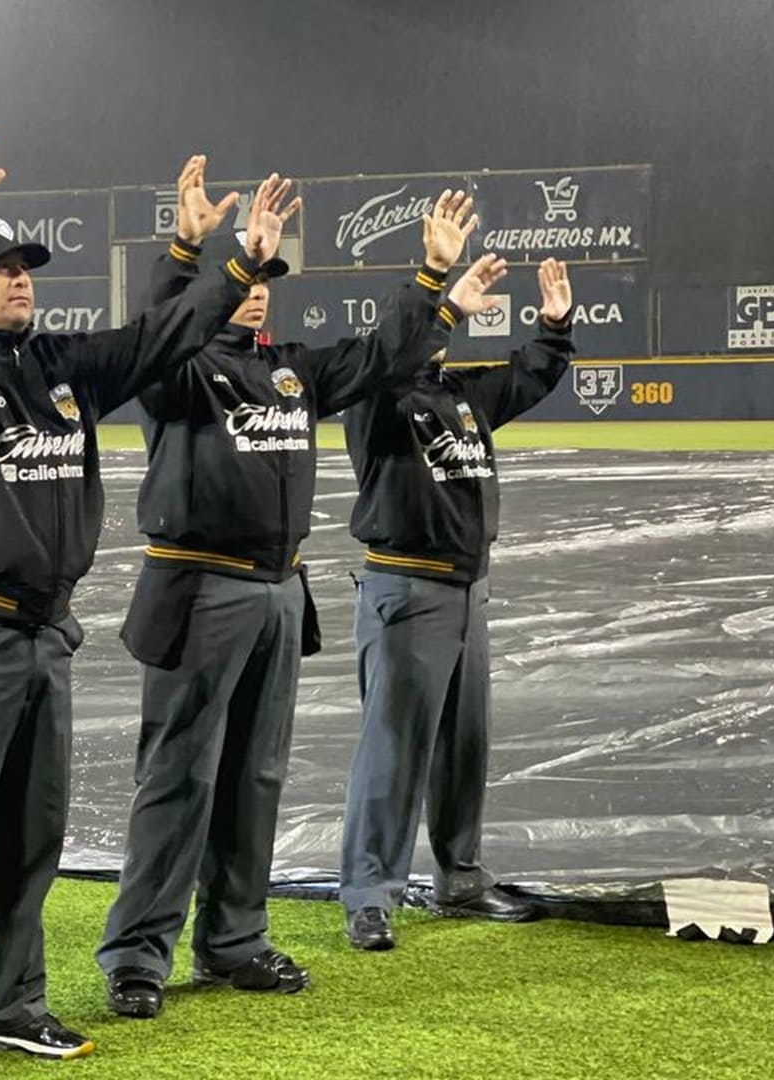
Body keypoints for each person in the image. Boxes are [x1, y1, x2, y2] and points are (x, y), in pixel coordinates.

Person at [0, 138, 300, 1080]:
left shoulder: (64, 366)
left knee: (32, 836)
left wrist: (226, 263)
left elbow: (164, 338)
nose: (18, 280)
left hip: (43, 636)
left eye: (24, 266)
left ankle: (12, 1006)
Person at [95, 159, 489, 1019]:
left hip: (278, 592)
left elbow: (387, 354)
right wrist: (188, 250)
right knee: (179, 779)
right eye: (245, 282)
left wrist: (431, 278)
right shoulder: (179, 373)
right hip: (199, 589)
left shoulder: (292, 372)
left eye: (268, 280)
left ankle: (233, 939)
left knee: (256, 776)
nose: (258, 293)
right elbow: (156, 329)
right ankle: (137, 954)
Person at [336, 257, 578, 951]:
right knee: (394, 750)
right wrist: (441, 300)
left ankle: (460, 876)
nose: (439, 334)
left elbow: (530, 373)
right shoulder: (374, 396)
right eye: (424, 324)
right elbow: (400, 345)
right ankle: (369, 894)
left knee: (463, 746)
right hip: (407, 590)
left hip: (468, 590)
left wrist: (556, 326)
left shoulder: (461, 393)